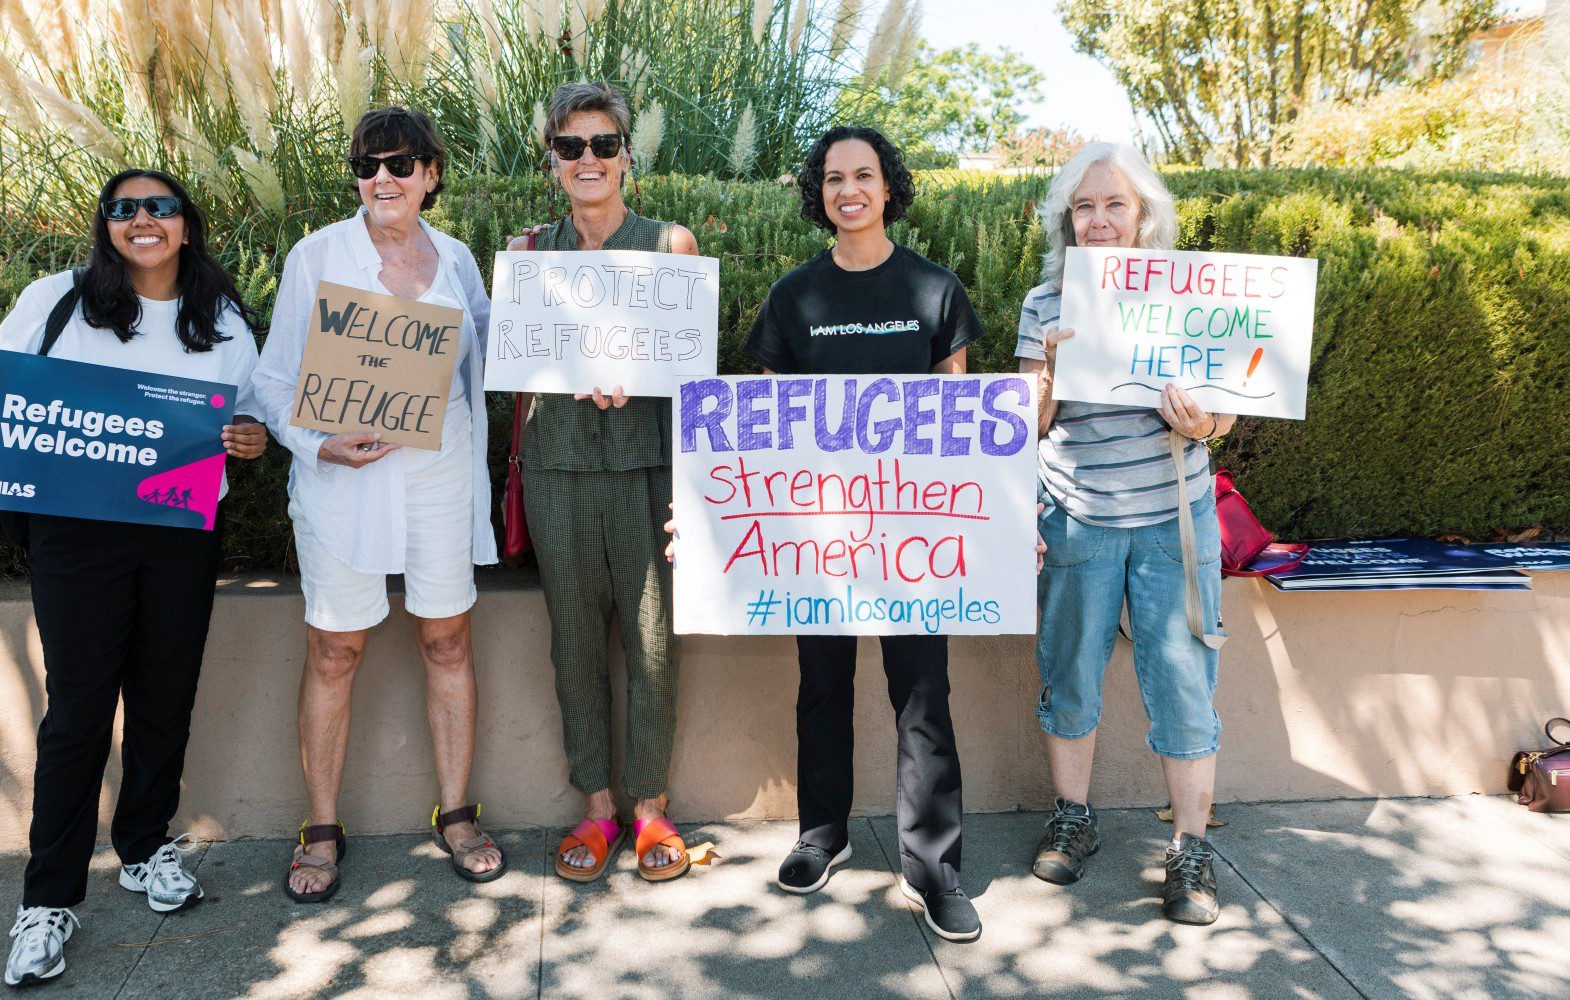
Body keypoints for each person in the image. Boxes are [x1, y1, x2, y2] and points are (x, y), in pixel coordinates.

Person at [0, 169, 267, 987]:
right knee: (78, 710)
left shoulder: (222, 318)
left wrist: (251, 437)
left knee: (164, 695)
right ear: (106, 225)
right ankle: (47, 899)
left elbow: (251, 413)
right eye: (124, 209)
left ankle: (145, 848)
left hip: (179, 531)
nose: (142, 219)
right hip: (76, 532)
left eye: (160, 207)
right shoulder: (57, 298)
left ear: (186, 223)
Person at [253, 107, 505, 902]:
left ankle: (456, 814)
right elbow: (272, 378)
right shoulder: (317, 255)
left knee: (447, 640)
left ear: (431, 174)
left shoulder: (457, 259)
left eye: (400, 163)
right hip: (344, 481)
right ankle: (322, 826)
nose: (383, 178)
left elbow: (499, 355)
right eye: (368, 166)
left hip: (441, 473)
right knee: (334, 650)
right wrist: (317, 443)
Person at [743, 125, 986, 942]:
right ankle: (823, 835)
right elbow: (767, 423)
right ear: (819, 193)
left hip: (914, 534)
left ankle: (935, 870)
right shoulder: (793, 297)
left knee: (922, 693)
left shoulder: (933, 290)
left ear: (888, 188)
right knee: (822, 685)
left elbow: (958, 423)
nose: (849, 190)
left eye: (864, 176)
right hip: (819, 533)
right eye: (833, 178)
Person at [1016, 142, 1235, 926]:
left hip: (1175, 520)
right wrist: (1047, 366)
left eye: (1115, 204)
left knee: (1184, 684)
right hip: (1076, 518)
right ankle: (1072, 819)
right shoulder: (1046, 302)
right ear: (1067, 221)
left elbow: (1225, 411)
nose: (1100, 218)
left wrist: (1203, 422)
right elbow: (1025, 425)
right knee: (1069, 672)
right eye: (1085, 206)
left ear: (1144, 216)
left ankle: (1190, 849)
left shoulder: (1187, 297)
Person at [508, 81, 701, 885]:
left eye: (603, 144)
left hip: (648, 463)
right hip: (557, 466)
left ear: (627, 156)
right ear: (552, 161)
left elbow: (691, 370)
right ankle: (596, 805)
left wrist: (641, 376)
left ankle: (651, 805)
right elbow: (514, 363)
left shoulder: (670, 245)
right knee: (574, 642)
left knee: (654, 642)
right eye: (570, 146)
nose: (587, 159)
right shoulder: (527, 254)